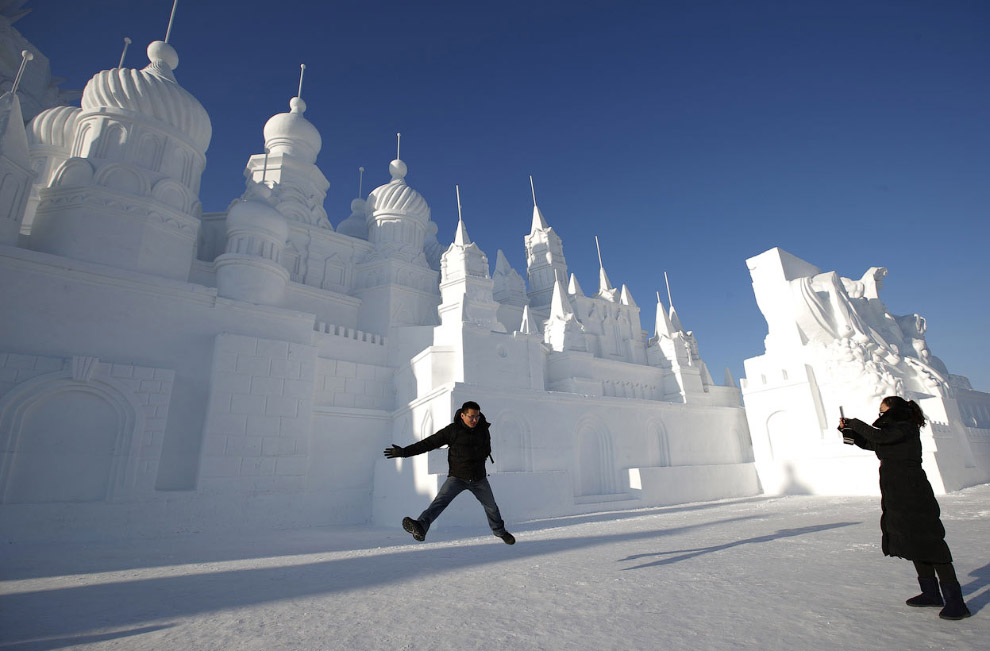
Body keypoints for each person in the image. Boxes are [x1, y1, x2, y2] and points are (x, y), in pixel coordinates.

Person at [839, 396, 970, 620]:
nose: (881, 416)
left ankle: (956, 602)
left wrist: (856, 422)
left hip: (914, 491)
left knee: (930, 542)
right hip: (897, 493)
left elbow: (879, 436)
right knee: (913, 541)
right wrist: (847, 431)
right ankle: (930, 593)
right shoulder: (893, 431)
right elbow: (872, 443)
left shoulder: (905, 427)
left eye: (883, 412)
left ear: (894, 410)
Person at [383, 401, 515, 545]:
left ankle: (499, 532)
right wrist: (404, 452)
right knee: (440, 502)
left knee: (491, 507)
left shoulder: (483, 429)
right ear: (463, 415)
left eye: (477, 416)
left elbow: (486, 449)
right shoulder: (452, 430)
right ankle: (421, 526)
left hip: (479, 479)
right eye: (471, 417)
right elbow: (429, 443)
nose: (474, 420)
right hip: (457, 477)